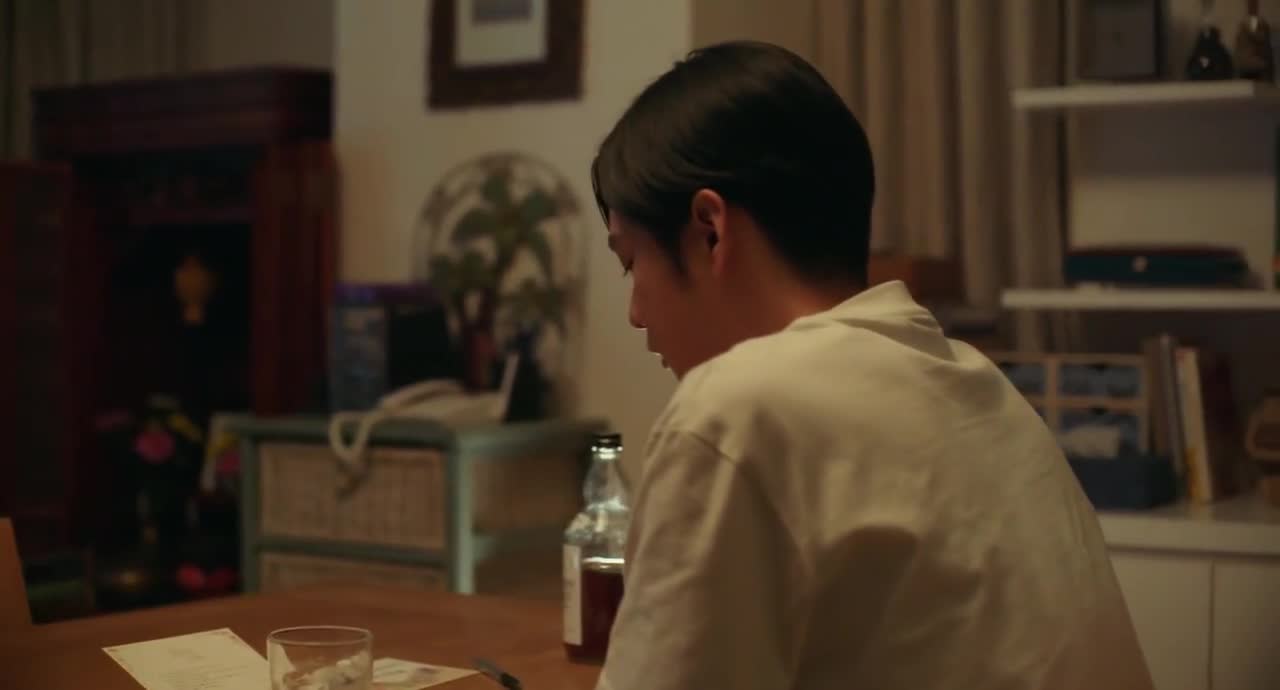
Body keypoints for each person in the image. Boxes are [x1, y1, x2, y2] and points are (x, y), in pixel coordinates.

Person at [589, 40, 1154, 690]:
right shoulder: (977, 384)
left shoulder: (734, 411)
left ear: (709, 230)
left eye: (631, 262)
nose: (635, 314)